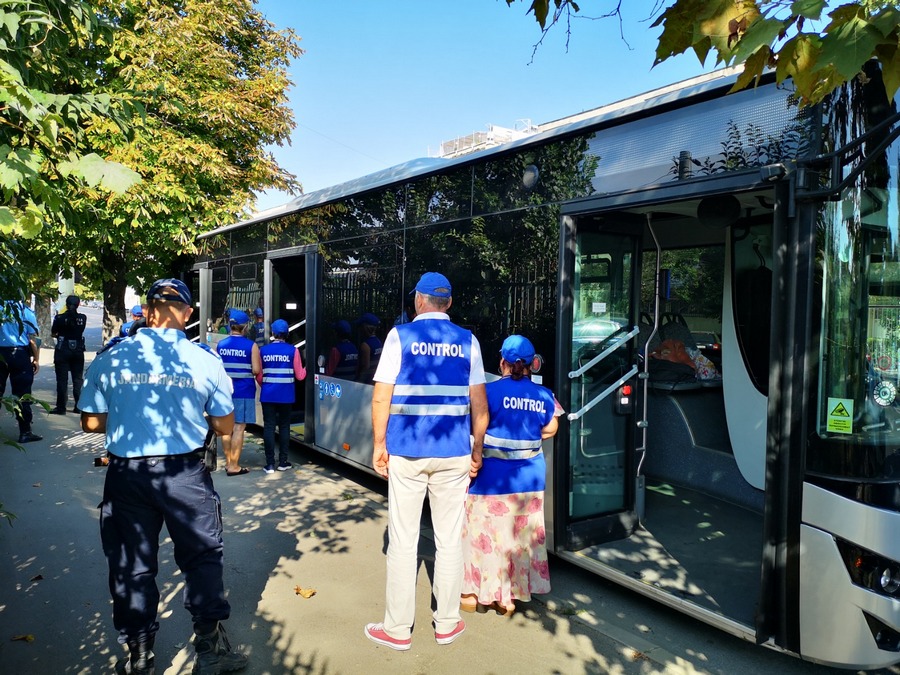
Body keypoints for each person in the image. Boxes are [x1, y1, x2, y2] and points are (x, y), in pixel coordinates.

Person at [78, 278, 247, 675]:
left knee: (132, 564)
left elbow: (90, 422)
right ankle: (210, 650)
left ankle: (139, 657)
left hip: (127, 476)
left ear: (148, 312)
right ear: (187, 313)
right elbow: (225, 426)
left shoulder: (112, 356)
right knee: (202, 557)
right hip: (185, 475)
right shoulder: (205, 360)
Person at [364, 272, 488, 651]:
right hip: (454, 452)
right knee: (449, 539)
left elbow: (381, 396)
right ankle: (447, 623)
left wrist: (379, 445)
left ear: (419, 300)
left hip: (406, 451)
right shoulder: (468, 341)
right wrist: (477, 451)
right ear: (448, 303)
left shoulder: (399, 336)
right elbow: (480, 406)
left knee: (403, 539)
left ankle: (398, 630)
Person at [460, 335, 562, 617]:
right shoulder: (544, 395)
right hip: (529, 481)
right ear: (531, 364)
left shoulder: (488, 391)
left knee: (484, 535)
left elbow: (473, 426)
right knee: (517, 539)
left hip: (490, 478)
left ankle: (473, 594)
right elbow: (552, 428)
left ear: (502, 361)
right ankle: (508, 598)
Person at [256, 318, 306, 474]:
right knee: (284, 427)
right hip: (286, 396)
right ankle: (283, 462)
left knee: (269, 427)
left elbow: (259, 376)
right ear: (287, 334)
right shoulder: (293, 351)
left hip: (268, 395)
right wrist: (308, 367)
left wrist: (266, 386)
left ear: (273, 333)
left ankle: (270, 464)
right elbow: (300, 376)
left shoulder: (263, 350)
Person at [216, 309, 261, 476]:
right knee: (239, 427)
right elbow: (256, 370)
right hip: (244, 391)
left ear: (230, 325)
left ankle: (229, 462)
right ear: (245, 327)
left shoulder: (221, 345)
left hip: (225, 391)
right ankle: (234, 465)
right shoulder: (251, 346)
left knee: (226, 428)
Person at [0, 299, 41, 443]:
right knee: (22, 394)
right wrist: (36, 359)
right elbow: (33, 339)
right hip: (19, 355)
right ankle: (25, 432)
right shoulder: (24, 310)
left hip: (0, 355)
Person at [49, 294, 87, 415]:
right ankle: (79, 406)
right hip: (78, 350)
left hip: (62, 349)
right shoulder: (83, 318)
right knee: (77, 379)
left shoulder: (59, 318)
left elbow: (53, 333)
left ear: (66, 304)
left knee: (62, 380)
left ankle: (61, 407)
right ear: (78, 304)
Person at [356, 312, 382, 384]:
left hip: (367, 382)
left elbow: (366, 367)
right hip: (376, 380)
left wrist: (358, 382)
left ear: (365, 328)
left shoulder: (365, 345)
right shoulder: (379, 342)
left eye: (360, 326)